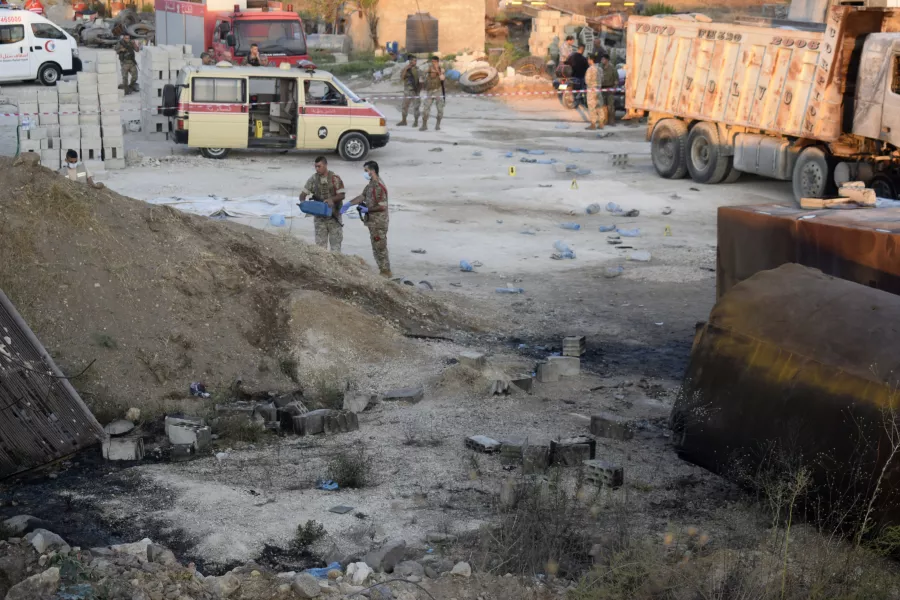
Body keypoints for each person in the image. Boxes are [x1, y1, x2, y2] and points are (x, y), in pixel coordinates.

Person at [348, 160, 390, 277]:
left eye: (366, 171)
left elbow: (382, 206)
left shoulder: (378, 186)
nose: (365, 173)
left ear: (372, 171)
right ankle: (383, 271)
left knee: (380, 248)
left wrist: (367, 210)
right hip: (373, 223)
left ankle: (386, 272)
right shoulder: (371, 184)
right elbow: (363, 196)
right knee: (376, 248)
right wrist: (348, 204)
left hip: (378, 223)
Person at [299, 156, 345, 252]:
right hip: (320, 219)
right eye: (315, 166)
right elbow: (303, 194)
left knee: (335, 249)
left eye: (319, 166)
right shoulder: (313, 179)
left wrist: (331, 199)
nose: (317, 169)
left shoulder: (334, 178)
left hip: (334, 217)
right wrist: (303, 204)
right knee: (320, 249)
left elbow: (342, 195)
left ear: (325, 165)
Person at [420, 55, 445, 132]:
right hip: (430, 91)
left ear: (437, 62)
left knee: (440, 109)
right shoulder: (428, 68)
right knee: (426, 108)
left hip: (438, 91)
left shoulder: (441, 69)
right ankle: (424, 125)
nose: (433, 63)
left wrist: (437, 70)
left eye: (435, 62)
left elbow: (442, 78)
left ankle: (437, 125)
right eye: (432, 61)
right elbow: (421, 78)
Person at [397, 55, 421, 127]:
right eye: (411, 60)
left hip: (415, 91)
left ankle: (416, 122)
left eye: (414, 60)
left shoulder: (418, 70)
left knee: (416, 107)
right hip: (407, 91)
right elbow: (402, 78)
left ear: (416, 62)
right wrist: (405, 69)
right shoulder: (405, 69)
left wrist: (419, 89)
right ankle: (404, 121)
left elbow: (422, 81)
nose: (412, 62)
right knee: (404, 106)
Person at [565, 44, 589, 108]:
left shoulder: (571, 56)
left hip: (571, 76)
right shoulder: (583, 59)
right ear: (583, 50)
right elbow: (587, 69)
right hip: (580, 77)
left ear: (578, 48)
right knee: (584, 87)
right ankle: (582, 98)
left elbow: (566, 63)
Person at [584, 54, 604, 130]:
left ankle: (593, 124)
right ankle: (601, 123)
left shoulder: (589, 69)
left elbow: (587, 81)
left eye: (588, 59)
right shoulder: (600, 69)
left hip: (591, 90)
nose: (587, 60)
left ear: (591, 60)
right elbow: (602, 79)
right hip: (598, 89)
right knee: (599, 106)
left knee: (592, 107)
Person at [599, 54, 619, 126]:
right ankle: (605, 120)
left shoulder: (612, 68)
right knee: (603, 105)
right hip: (602, 88)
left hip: (610, 88)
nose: (602, 61)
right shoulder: (600, 67)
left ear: (607, 60)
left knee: (610, 106)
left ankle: (612, 121)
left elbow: (616, 79)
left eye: (603, 59)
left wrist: (614, 87)